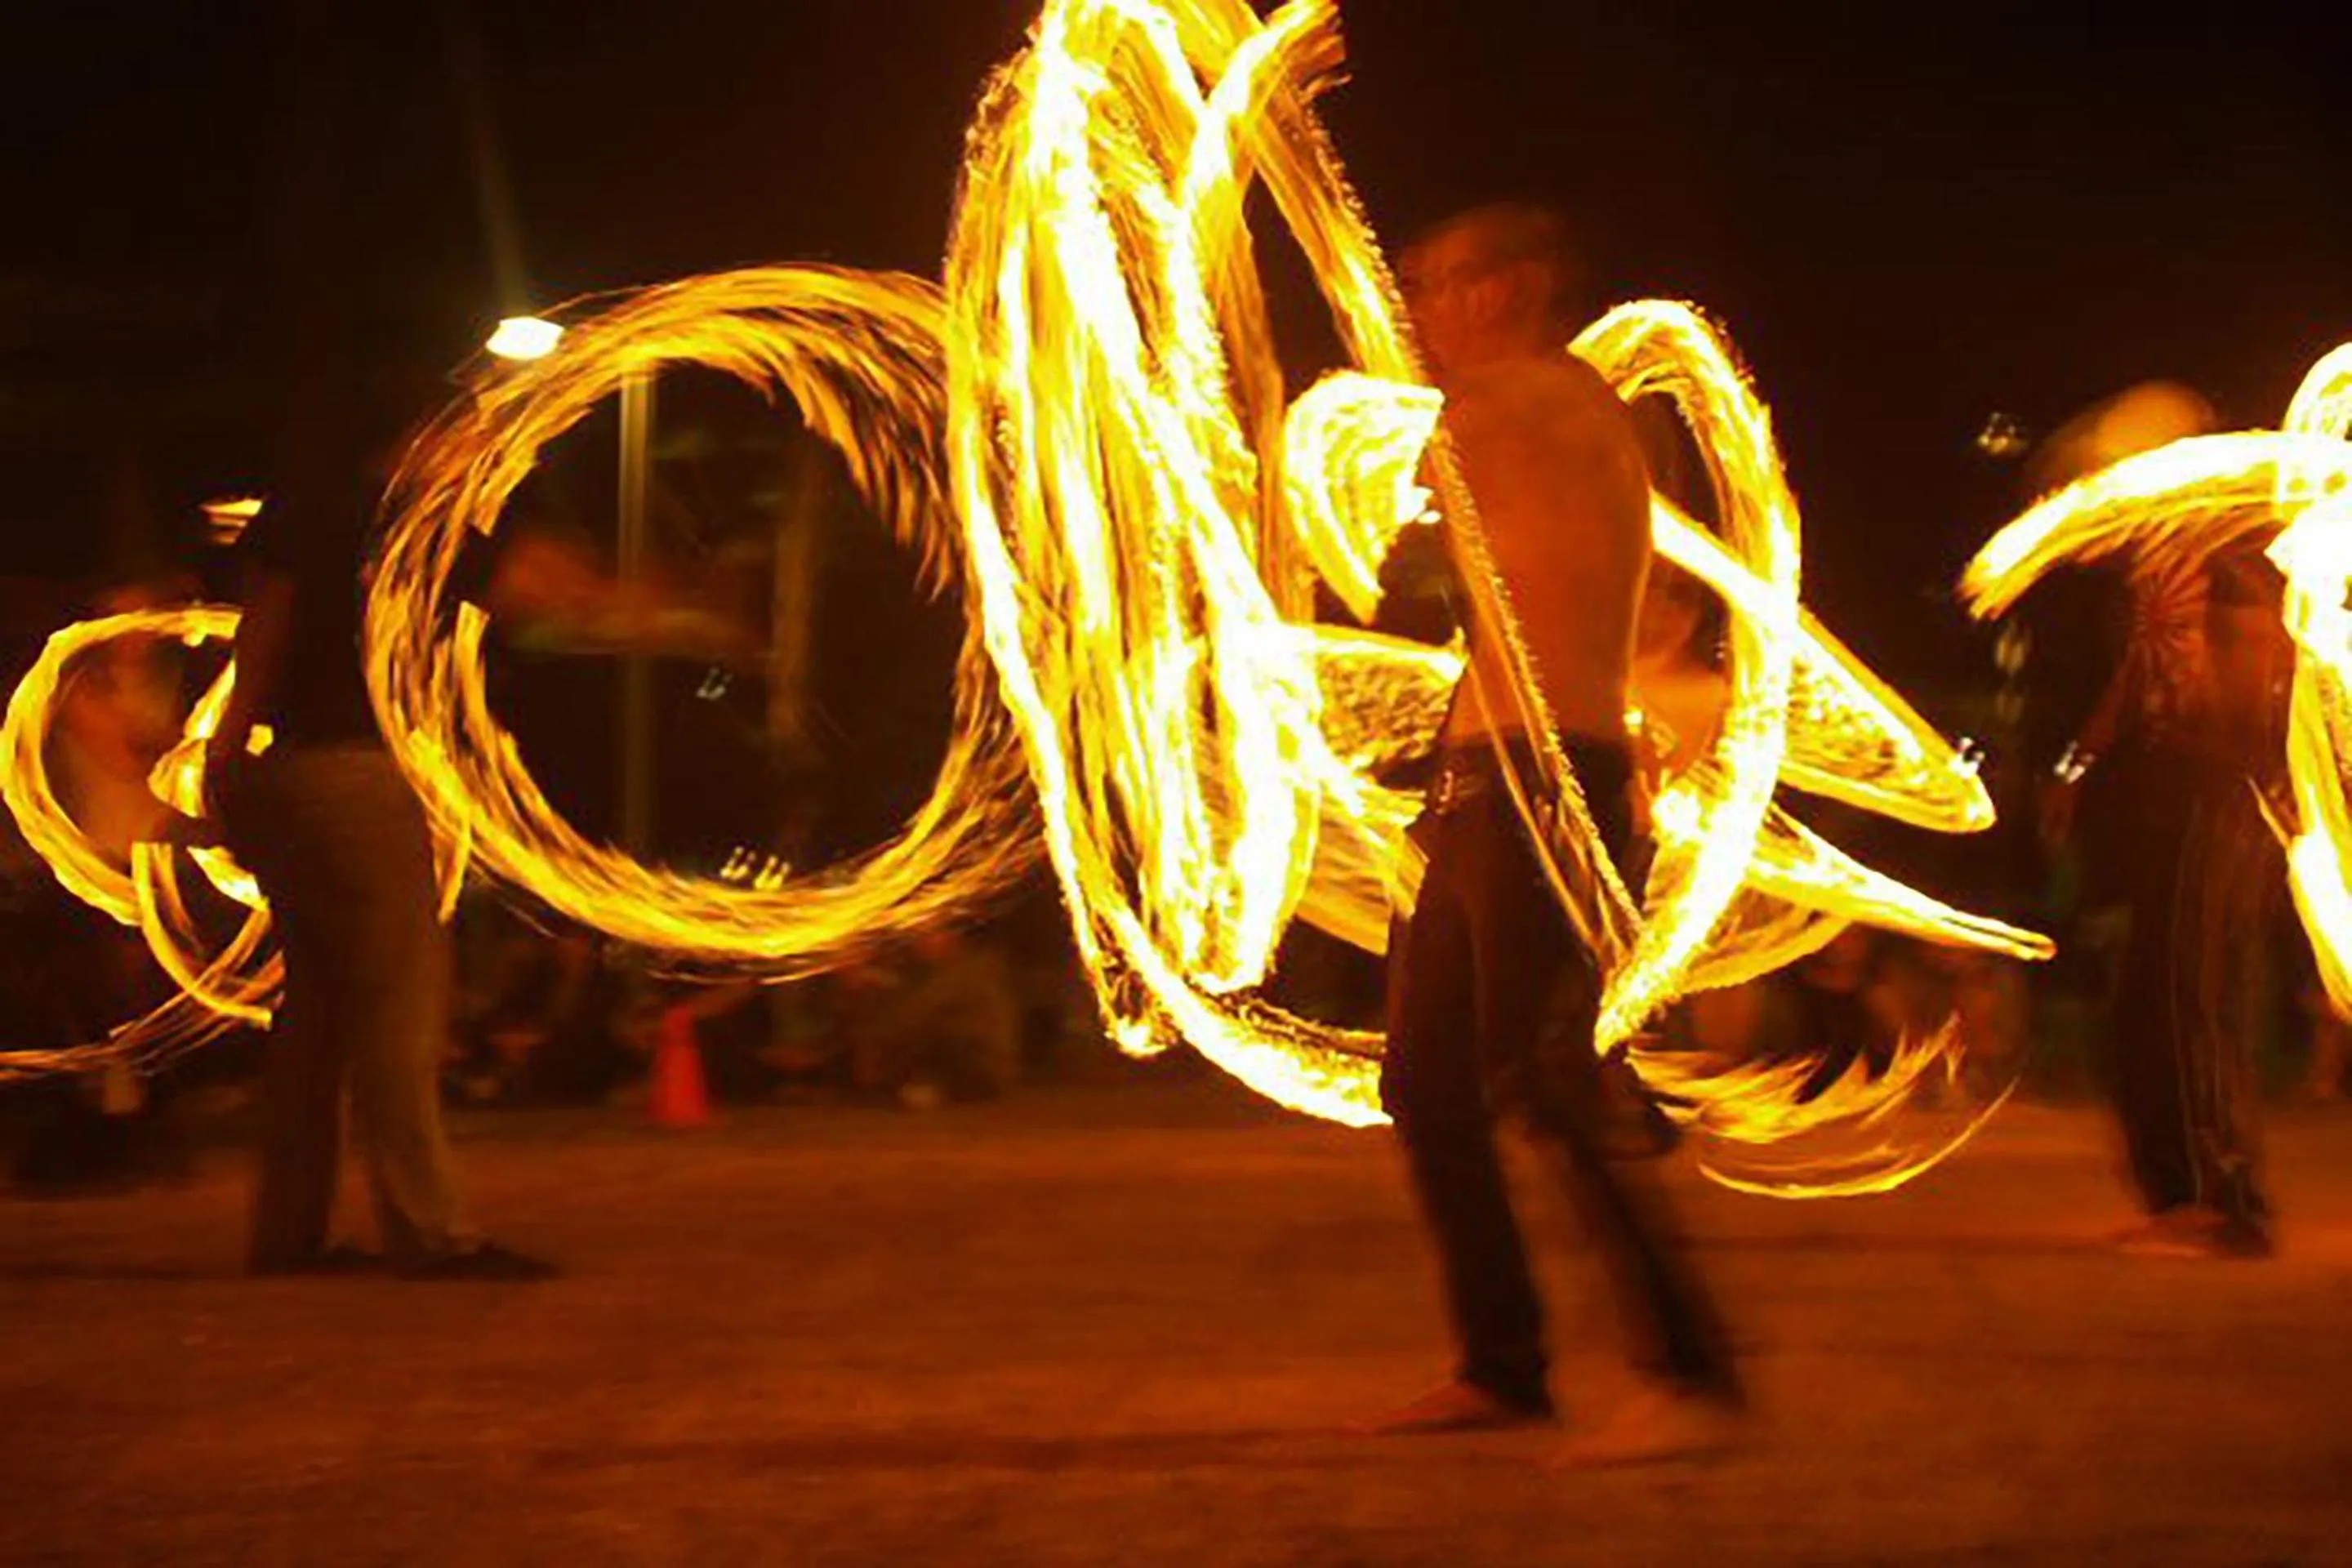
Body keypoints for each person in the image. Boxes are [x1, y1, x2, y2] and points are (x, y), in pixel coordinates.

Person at [183, 0, 552, 1281]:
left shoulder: (321, 505)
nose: (471, 452)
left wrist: (226, 753)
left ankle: (287, 1236)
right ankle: (432, 1232)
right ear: (418, 438)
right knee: (399, 1004)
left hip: (287, 773)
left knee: (318, 1010)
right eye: (458, 436)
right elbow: (539, 600)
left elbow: (267, 623)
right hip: (355, 780)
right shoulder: (414, 528)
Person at [1370, 204, 1741, 1463]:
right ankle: (1502, 1368)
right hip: (1478, 773)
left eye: (1438, 281)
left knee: (1540, 1074)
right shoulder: (1525, 410)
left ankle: (1689, 1373)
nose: (1417, 305)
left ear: (1512, 288)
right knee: (1426, 1078)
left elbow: (1384, 500)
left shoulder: (1530, 396)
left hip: (1541, 773)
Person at [2029, 381, 2281, 1259]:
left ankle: (2223, 1202)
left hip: (2216, 789)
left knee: (2192, 995)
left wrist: (2236, 762)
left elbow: (2259, 652)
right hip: (2166, 788)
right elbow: (2140, 675)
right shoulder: (2155, 562)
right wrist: (2076, 767)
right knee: (2147, 997)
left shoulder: (2228, 554)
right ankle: (2177, 1194)